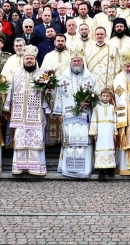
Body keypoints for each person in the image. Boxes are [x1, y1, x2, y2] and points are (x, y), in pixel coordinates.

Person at [4, 46, 50, 175]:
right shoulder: (16, 74)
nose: (29, 61)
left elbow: (48, 94)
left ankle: (35, 167)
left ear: (35, 60)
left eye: (31, 58)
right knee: (20, 140)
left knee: (36, 140)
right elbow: (10, 92)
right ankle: (20, 167)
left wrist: (48, 90)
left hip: (36, 113)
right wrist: (7, 107)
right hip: (20, 115)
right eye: (27, 59)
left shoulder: (42, 75)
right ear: (23, 60)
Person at [53, 49, 98, 178]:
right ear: (70, 62)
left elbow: (96, 97)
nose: (76, 63)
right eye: (74, 61)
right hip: (68, 116)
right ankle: (69, 169)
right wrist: (59, 114)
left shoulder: (90, 78)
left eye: (79, 61)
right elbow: (59, 97)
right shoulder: (63, 78)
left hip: (84, 117)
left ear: (83, 62)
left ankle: (84, 169)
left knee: (84, 142)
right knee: (70, 142)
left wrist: (90, 102)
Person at [89, 87, 117, 180]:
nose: (105, 97)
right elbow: (93, 120)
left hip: (109, 133)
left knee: (110, 149)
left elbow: (115, 121)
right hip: (101, 133)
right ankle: (101, 171)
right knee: (101, 149)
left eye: (107, 96)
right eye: (104, 96)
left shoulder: (112, 108)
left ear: (110, 97)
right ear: (100, 96)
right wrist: (95, 133)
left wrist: (115, 133)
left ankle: (110, 169)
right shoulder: (96, 108)